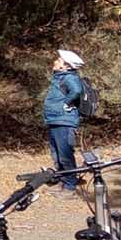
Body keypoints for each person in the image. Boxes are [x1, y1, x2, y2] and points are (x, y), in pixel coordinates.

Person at [44, 49, 85, 197]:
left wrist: (66, 104)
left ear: (66, 66)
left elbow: (76, 91)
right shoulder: (60, 77)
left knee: (65, 155)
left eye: (59, 60)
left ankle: (70, 187)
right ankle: (63, 181)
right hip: (56, 120)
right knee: (57, 154)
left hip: (64, 121)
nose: (55, 61)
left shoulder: (69, 78)